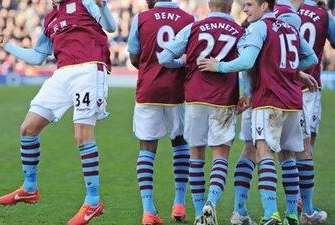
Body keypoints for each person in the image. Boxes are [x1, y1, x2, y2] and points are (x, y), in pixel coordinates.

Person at [196, 0, 318, 224]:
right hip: (293, 101)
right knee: (289, 157)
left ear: (264, 6)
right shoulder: (289, 27)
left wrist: (218, 66)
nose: (244, 9)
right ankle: (292, 214)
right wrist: (291, 71)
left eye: (250, 4)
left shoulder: (258, 27)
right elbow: (312, 58)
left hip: (267, 99)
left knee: (261, 153)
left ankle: (269, 213)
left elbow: (247, 61)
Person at [0, 1, 116, 225]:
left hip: (88, 69)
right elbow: (38, 57)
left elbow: (111, 26)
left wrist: (104, 5)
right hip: (62, 74)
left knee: (82, 135)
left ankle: (93, 201)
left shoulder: (85, 2)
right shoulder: (51, 17)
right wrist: (7, 47)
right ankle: (30, 188)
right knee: (28, 128)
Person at [158, 0, 244, 224]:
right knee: (220, 154)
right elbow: (248, 64)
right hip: (224, 98)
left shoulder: (193, 27)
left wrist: (185, 63)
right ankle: (211, 203)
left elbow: (164, 57)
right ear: (231, 5)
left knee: (196, 156)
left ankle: (198, 214)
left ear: (208, 4)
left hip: (195, 97)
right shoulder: (239, 31)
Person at [127, 0, 194, 224]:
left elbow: (134, 57)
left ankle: (148, 211)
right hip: (179, 91)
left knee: (147, 147)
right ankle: (179, 203)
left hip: (148, 90)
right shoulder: (188, 19)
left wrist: (150, 68)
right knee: (181, 144)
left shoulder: (141, 18)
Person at [296, 0, 335, 223]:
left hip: (281, 86)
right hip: (310, 88)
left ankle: (289, 202)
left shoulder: (279, 9)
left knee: (278, 149)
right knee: (307, 148)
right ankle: (306, 207)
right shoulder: (322, 13)